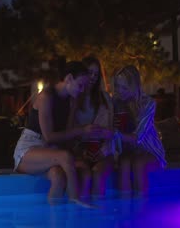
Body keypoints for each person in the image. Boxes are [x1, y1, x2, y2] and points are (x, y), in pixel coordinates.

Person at [13, 61, 110, 203]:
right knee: (64, 156)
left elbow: (67, 135)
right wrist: (81, 130)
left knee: (60, 176)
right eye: (80, 85)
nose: (82, 90)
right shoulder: (46, 97)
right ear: (69, 78)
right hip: (29, 150)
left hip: (50, 152)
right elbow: (49, 137)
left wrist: (84, 143)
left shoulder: (72, 101)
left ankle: (55, 220)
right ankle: (76, 203)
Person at [113, 65, 167, 196]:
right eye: (118, 86)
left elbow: (138, 136)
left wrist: (115, 135)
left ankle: (140, 204)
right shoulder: (116, 102)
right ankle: (124, 206)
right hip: (129, 149)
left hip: (149, 149)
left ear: (134, 86)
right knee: (124, 162)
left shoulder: (148, 103)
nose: (120, 91)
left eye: (124, 87)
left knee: (138, 163)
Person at [71, 56, 115, 198]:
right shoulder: (74, 97)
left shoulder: (104, 98)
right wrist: (80, 150)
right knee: (84, 174)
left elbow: (111, 129)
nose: (93, 77)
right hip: (80, 150)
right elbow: (69, 131)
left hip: (102, 149)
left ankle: (97, 213)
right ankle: (82, 212)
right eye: (90, 72)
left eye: (96, 74)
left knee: (97, 172)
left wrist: (104, 150)